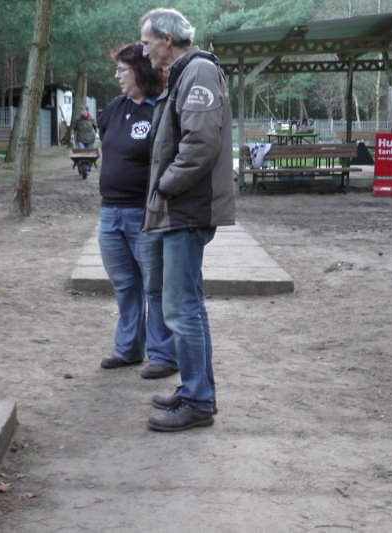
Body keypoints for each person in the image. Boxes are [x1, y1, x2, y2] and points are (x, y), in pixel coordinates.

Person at [139, 8, 235, 431]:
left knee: (181, 309)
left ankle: (197, 400)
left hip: (186, 209)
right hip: (182, 208)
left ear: (167, 39)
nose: (145, 51)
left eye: (147, 42)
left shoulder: (198, 72)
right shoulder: (184, 74)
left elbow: (200, 143)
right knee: (187, 306)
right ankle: (197, 391)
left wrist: (165, 187)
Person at [97, 43, 176, 380]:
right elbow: (107, 142)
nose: (117, 76)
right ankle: (128, 349)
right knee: (124, 285)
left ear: (141, 72)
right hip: (109, 215)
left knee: (154, 286)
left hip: (144, 214)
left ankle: (163, 355)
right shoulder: (116, 108)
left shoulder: (161, 110)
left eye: (122, 70)